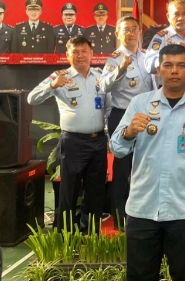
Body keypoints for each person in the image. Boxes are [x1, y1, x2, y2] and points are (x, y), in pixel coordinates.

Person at [110, 44, 185, 281]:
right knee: (139, 275)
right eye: (168, 65)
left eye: (180, 66)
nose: (174, 71)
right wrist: (128, 132)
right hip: (143, 208)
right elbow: (116, 149)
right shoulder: (140, 103)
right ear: (158, 69)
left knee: (183, 274)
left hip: (184, 209)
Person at [28, 37, 108, 233]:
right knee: (68, 192)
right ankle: (65, 236)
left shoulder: (101, 76)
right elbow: (32, 98)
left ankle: (90, 234)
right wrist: (52, 85)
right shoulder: (59, 76)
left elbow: (109, 106)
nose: (80, 55)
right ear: (67, 55)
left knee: (95, 191)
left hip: (98, 142)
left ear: (92, 53)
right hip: (73, 142)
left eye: (84, 51)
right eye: (75, 51)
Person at [100, 16, 154, 230]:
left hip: (149, 116)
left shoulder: (148, 56)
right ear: (117, 34)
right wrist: (120, 68)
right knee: (122, 168)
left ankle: (145, 213)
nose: (131, 33)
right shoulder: (114, 58)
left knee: (147, 164)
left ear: (140, 32)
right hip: (123, 116)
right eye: (126, 30)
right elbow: (104, 86)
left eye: (134, 29)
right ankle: (121, 218)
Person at [144, 0, 185, 91]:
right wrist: (170, 55)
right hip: (169, 90)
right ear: (168, 16)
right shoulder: (160, 37)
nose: (181, 18)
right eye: (176, 14)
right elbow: (149, 66)